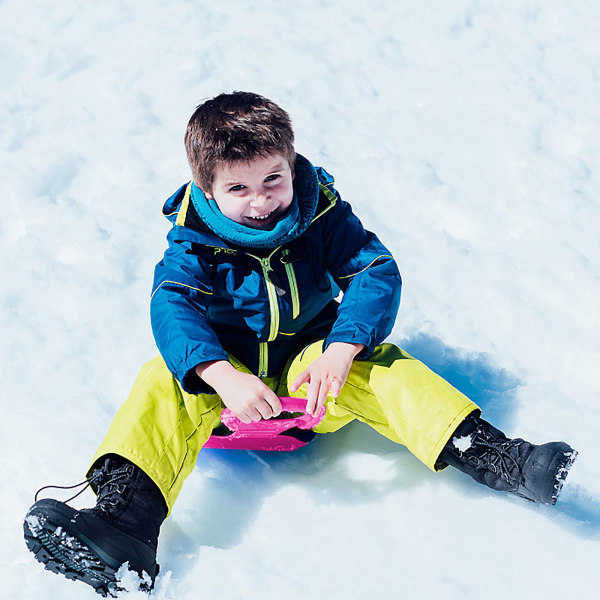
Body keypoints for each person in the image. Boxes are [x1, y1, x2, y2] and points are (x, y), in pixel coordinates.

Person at [23, 91, 577, 596]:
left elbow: (374, 271)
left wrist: (342, 348)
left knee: (382, 367)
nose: (261, 201)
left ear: (291, 165)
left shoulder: (322, 216)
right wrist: (220, 374)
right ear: (206, 187)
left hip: (310, 379)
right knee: (161, 380)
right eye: (237, 188)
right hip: (227, 390)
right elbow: (173, 305)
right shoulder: (194, 242)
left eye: (272, 179)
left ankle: (497, 456)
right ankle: (124, 526)